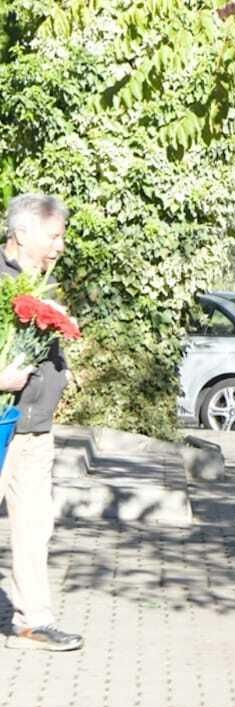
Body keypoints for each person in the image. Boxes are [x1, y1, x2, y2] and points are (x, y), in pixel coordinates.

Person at [0, 193, 82, 652]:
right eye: (53, 236)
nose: (60, 246)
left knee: (34, 528)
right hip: (3, 427)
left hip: (34, 429)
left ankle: (33, 621)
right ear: (22, 232)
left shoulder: (39, 282)